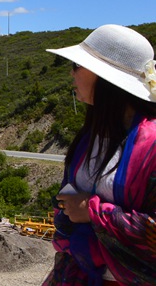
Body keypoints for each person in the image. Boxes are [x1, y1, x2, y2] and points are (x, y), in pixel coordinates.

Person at [42, 24, 156, 285]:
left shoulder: (151, 143)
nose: (71, 73)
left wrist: (92, 212)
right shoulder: (92, 135)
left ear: (103, 77)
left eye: (77, 65)